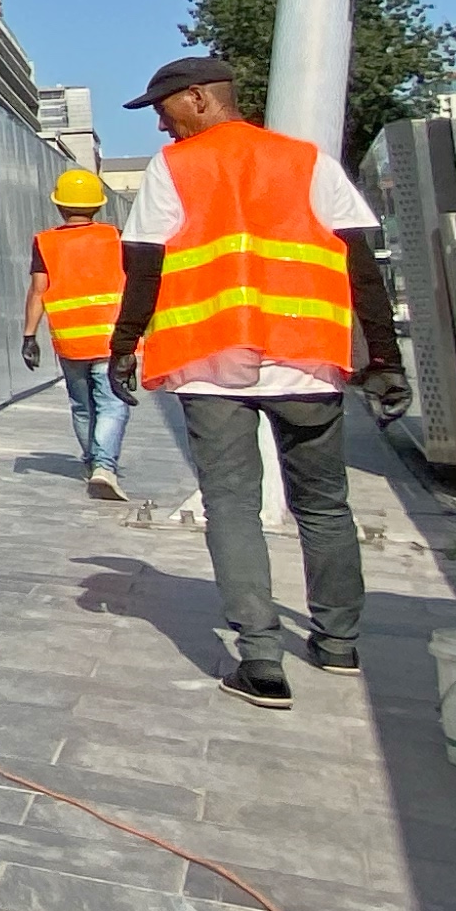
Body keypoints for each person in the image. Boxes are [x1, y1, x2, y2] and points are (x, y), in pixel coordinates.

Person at [100, 54, 404, 709]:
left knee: (232, 503)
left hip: (210, 366)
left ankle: (261, 660)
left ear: (201, 100)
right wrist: (384, 358)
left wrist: (124, 346)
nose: (160, 124)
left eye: (164, 107)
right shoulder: (307, 161)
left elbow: (145, 269)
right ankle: (338, 643)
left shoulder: (174, 170)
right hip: (306, 357)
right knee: (324, 504)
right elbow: (362, 265)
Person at [22, 168, 135, 501]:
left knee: (82, 406)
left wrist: (30, 336)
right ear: (98, 206)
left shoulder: (46, 242)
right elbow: (134, 288)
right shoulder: (116, 237)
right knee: (113, 405)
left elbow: (37, 291)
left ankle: (92, 462)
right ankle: (104, 466)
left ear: (59, 206)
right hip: (110, 340)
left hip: (70, 342)